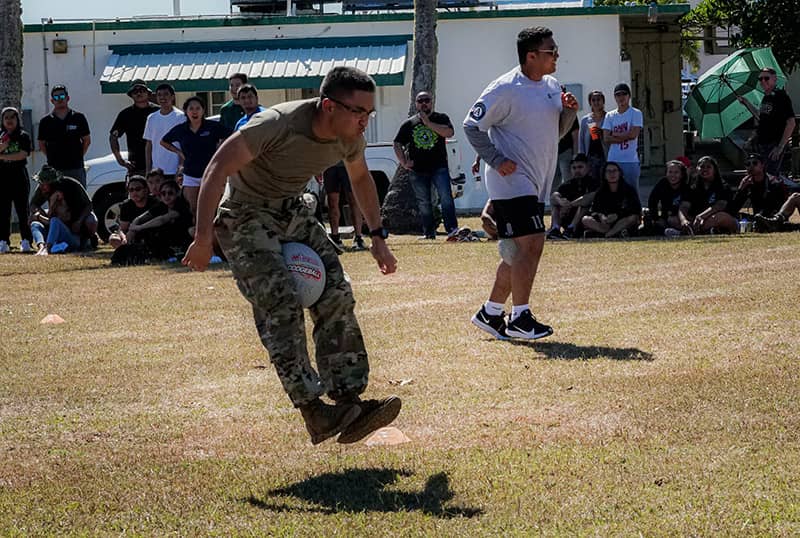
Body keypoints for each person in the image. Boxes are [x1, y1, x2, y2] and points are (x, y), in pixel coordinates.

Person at [181, 66, 401, 446]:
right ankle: (313, 411)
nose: (365, 120)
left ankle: (349, 400)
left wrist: (377, 236)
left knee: (337, 293)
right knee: (280, 304)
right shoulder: (277, 124)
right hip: (246, 213)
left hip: (293, 211)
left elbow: (361, 179)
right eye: (359, 112)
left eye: (370, 113)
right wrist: (203, 238)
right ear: (329, 106)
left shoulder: (349, 136)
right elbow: (217, 167)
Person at [464, 26, 578, 340]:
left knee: (516, 251)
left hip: (536, 179)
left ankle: (490, 312)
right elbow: (471, 126)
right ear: (530, 56)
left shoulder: (552, 86)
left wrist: (569, 112)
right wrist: (497, 160)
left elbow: (556, 132)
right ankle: (520, 318)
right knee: (533, 244)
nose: (557, 56)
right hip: (511, 180)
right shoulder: (504, 88)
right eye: (550, 51)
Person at [393, 91, 458, 240]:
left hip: (439, 167)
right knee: (423, 202)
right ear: (415, 104)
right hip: (417, 170)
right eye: (420, 101)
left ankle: (452, 230)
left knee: (446, 198)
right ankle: (429, 233)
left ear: (432, 102)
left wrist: (428, 123)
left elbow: (449, 133)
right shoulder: (409, 123)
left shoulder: (441, 118)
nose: (423, 103)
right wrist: (404, 162)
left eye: (426, 100)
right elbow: (397, 143)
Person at [161, 97, 232, 219]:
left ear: (203, 110)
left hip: (211, 173)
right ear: (186, 111)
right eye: (191, 108)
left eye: (198, 108)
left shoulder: (212, 126)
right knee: (194, 208)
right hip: (190, 174)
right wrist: (178, 152)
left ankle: (214, 235)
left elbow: (232, 135)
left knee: (214, 208)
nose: (195, 112)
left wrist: (221, 149)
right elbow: (164, 141)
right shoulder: (181, 129)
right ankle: (198, 235)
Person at [737, 67, 796, 176]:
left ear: (774, 79)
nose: (763, 81)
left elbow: (791, 122)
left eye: (766, 78)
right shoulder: (766, 98)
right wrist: (746, 103)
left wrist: (780, 146)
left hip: (774, 144)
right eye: (760, 79)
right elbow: (761, 118)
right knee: (763, 175)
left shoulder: (780, 96)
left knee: (771, 176)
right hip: (763, 144)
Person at [28, 166, 96, 255]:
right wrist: (38, 214)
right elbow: (35, 205)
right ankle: (41, 247)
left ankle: (48, 248)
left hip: (71, 236)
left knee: (55, 221)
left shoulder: (68, 190)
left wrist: (79, 222)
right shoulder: (45, 191)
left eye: (43, 184)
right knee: (35, 224)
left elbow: (57, 221)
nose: (40, 187)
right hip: (55, 234)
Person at [37, 85, 91, 187]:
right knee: (56, 200)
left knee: (78, 200)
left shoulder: (79, 117)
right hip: (54, 170)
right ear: (52, 101)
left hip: (76, 168)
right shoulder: (45, 121)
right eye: (56, 97)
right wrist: (51, 157)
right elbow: (41, 144)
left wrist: (78, 156)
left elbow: (87, 140)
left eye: (62, 96)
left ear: (67, 98)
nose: (59, 99)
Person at [126, 179, 193, 258]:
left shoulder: (181, 205)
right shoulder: (161, 205)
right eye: (163, 193)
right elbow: (141, 217)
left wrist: (139, 227)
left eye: (170, 193)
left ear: (178, 193)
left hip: (184, 236)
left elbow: (162, 219)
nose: (166, 196)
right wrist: (132, 229)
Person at [0, 107, 33, 253]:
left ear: (17, 119)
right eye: (6, 117)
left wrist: (2, 156)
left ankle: (26, 240)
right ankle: (3, 241)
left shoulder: (23, 136)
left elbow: (22, 154)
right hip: (2, 178)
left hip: (19, 176)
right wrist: (3, 146)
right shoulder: (0, 136)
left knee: (22, 210)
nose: (9, 120)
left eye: (12, 117)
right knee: (3, 211)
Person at [109, 79, 159, 176]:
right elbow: (113, 137)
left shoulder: (158, 112)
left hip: (159, 165)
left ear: (148, 93)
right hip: (136, 166)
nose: (139, 93)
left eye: (142, 90)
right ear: (131, 95)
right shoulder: (125, 114)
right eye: (135, 91)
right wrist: (120, 160)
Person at [727, 154, 787, 231]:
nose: (751, 166)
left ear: (762, 165)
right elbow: (733, 209)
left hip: (773, 217)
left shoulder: (774, 182)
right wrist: (740, 189)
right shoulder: (748, 184)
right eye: (748, 164)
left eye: (755, 163)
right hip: (757, 217)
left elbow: (777, 207)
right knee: (732, 216)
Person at [602, 83, 643, 197]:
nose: (621, 97)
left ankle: (636, 213)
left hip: (630, 160)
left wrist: (614, 134)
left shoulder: (636, 113)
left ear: (629, 96)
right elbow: (606, 138)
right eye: (618, 95)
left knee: (632, 190)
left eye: (624, 94)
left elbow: (633, 135)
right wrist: (625, 135)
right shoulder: (609, 115)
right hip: (613, 159)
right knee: (612, 191)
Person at [581, 161, 642, 238]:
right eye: (608, 171)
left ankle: (607, 235)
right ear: (604, 175)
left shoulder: (628, 190)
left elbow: (636, 208)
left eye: (614, 171)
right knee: (585, 219)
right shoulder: (600, 191)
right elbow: (594, 209)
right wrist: (602, 216)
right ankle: (613, 233)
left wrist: (617, 215)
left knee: (633, 218)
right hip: (606, 222)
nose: (612, 174)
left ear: (619, 173)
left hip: (622, 220)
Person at [547, 153, 599, 239]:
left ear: (588, 167)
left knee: (584, 205)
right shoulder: (568, 184)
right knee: (556, 202)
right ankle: (555, 229)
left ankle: (571, 229)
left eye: (580, 167)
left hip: (585, 220)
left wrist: (569, 205)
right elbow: (553, 197)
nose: (577, 170)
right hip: (568, 217)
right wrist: (561, 202)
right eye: (574, 168)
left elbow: (589, 198)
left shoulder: (594, 183)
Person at [323, 161, 367, 251]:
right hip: (330, 165)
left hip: (348, 165)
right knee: (332, 202)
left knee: (353, 201)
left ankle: (358, 237)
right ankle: (335, 238)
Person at [143, 83, 184, 178]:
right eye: (159, 95)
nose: (162, 97)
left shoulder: (181, 117)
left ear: (172, 97)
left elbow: (184, 144)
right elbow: (149, 145)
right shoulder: (151, 118)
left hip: (175, 170)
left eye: (166, 94)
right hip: (156, 171)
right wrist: (148, 170)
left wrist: (181, 166)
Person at [690, 156, 737, 235]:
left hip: (719, 218)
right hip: (699, 220)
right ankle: (704, 230)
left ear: (714, 170)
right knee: (674, 219)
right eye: (702, 167)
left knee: (720, 216)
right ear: (697, 169)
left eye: (708, 167)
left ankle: (690, 231)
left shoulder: (723, 186)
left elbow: (720, 205)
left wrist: (701, 216)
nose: (705, 169)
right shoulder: (693, 188)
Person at [108, 175, 158, 249]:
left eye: (138, 189)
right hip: (132, 235)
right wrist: (124, 237)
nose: (134, 192)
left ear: (146, 190)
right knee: (114, 239)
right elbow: (122, 228)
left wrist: (134, 230)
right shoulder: (126, 205)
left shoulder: (155, 203)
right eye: (131, 190)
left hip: (150, 232)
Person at [645, 160, 693, 236]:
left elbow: (684, 208)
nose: (672, 175)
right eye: (670, 172)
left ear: (682, 174)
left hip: (683, 217)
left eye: (676, 172)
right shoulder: (662, 183)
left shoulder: (686, 188)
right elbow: (652, 201)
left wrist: (683, 220)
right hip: (666, 218)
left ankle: (684, 232)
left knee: (673, 220)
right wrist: (656, 218)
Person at [578, 90, 607, 180]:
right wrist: (582, 158)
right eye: (593, 100)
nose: (596, 102)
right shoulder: (586, 120)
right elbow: (581, 140)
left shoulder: (609, 117)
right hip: (590, 158)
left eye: (598, 99)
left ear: (603, 101)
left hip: (605, 156)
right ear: (590, 102)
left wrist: (602, 133)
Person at [554, 115, 579, 188]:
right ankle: (553, 199)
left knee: (568, 179)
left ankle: (571, 198)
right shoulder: (550, 113)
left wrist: (575, 154)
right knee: (553, 182)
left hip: (566, 151)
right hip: (553, 153)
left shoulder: (570, 113)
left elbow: (575, 136)